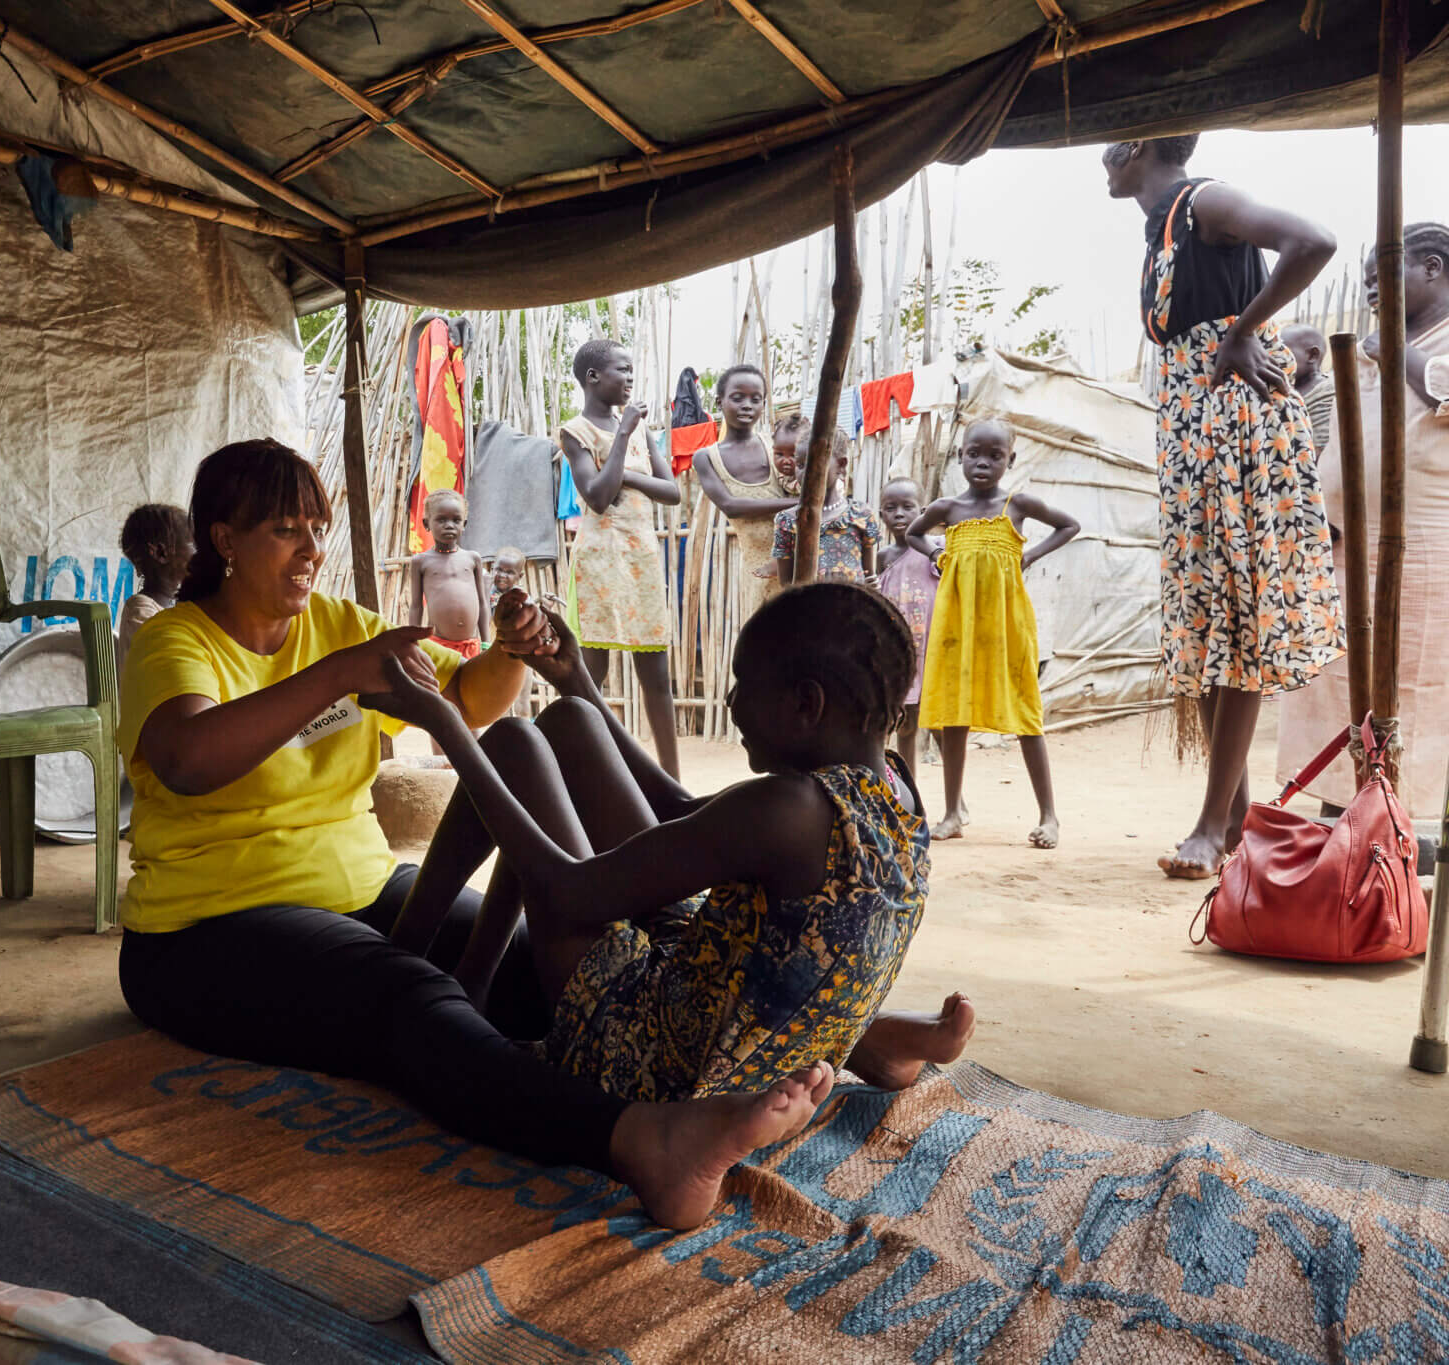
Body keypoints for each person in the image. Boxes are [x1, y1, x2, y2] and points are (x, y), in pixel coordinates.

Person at [120, 438, 971, 1231]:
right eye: (284, 531)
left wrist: (513, 651)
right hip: (207, 926)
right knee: (407, 1002)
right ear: (224, 539)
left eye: (316, 528)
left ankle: (847, 1032)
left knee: (531, 965)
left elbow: (470, 703)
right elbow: (189, 759)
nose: (310, 549)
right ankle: (639, 1138)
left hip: (357, 891)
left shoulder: (338, 623)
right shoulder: (175, 641)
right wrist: (339, 677)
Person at [368, 581, 954, 1105]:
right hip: (732, 1030)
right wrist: (577, 680)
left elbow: (569, 895)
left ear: (806, 704)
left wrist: (448, 725)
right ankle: (465, 979)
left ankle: (408, 967)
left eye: (743, 686)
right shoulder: (891, 791)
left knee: (516, 746)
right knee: (570, 719)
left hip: (661, 1071)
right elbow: (679, 814)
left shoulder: (791, 808)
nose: (730, 703)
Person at [1104, 134, 1343, 879]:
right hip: (1192, 427)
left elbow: (1313, 241)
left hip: (1234, 425)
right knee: (1205, 616)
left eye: (1110, 141)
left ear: (1138, 143)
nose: (1099, 159)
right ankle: (1233, 812)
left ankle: (1214, 825)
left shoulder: (1204, 200)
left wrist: (1242, 332)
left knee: (1235, 612)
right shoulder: (1165, 228)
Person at [1277, 223, 1449, 824]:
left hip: (1425, 552)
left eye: (1385, 276)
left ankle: (1406, 827)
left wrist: (1396, 352)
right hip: (1348, 550)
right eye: (1368, 280)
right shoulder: (1380, 348)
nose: (1373, 290)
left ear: (1431, 267)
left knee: (1415, 688)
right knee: (1334, 684)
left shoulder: (1415, 346)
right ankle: (1336, 815)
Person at [907, 419, 1080, 849]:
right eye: (974, 453)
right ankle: (952, 813)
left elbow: (1069, 525)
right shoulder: (947, 509)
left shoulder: (1016, 505)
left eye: (995, 456)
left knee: (1026, 713)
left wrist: (1027, 556)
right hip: (957, 626)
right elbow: (912, 532)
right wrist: (936, 552)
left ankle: (1049, 816)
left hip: (1007, 626)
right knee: (954, 714)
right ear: (960, 455)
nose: (983, 462)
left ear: (1010, 460)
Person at [558, 338, 682, 778]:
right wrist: (624, 433)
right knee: (591, 677)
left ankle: (673, 781)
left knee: (656, 676)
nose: (630, 379)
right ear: (593, 377)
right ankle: (587, 775)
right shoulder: (575, 432)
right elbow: (596, 497)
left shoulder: (643, 433)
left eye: (632, 372)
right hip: (598, 561)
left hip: (641, 560)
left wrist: (628, 468)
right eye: (622, 371)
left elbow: (672, 492)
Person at [695, 365, 797, 612]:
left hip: (796, 562)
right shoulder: (706, 458)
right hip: (757, 569)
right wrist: (798, 504)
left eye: (756, 399)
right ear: (719, 402)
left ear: (764, 404)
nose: (747, 405)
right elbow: (731, 507)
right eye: (738, 397)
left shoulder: (775, 445)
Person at [876, 477, 941, 755]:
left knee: (939, 726)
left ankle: (955, 798)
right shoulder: (882, 557)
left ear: (923, 512)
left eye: (907, 507)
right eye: (891, 508)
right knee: (905, 725)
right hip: (900, 654)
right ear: (881, 515)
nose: (899, 514)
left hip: (934, 650)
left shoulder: (936, 549)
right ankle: (909, 795)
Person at [770, 428, 880, 585]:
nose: (806, 473)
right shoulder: (787, 520)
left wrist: (872, 587)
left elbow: (868, 575)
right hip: (809, 608)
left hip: (853, 606)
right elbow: (786, 584)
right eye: (800, 465)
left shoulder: (860, 514)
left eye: (817, 464)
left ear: (841, 466)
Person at [405, 489, 490, 661]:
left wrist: (486, 642)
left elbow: (482, 603)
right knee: (441, 687)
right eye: (441, 520)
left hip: (471, 646)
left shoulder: (473, 559)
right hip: (438, 646)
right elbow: (416, 606)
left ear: (464, 524)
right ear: (426, 523)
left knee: (472, 687)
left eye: (456, 520)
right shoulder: (421, 561)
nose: (449, 525)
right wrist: (411, 640)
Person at [115, 503, 194, 684]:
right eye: (193, 544)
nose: (198, 553)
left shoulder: (176, 606)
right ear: (160, 552)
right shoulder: (141, 612)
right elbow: (177, 665)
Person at [1281, 322, 1336, 454]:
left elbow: (1323, 448)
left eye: (1283, 352)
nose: (1274, 358)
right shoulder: (1285, 389)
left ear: (1312, 355)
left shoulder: (1326, 390)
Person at [488, 545, 527, 614]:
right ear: (492, 568)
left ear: (519, 576)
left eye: (510, 572)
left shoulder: (521, 598)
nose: (502, 575)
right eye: (499, 569)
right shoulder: (485, 591)